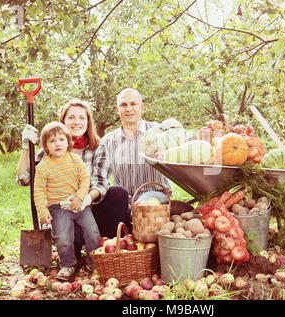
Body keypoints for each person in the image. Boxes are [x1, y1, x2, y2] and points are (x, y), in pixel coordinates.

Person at [17, 98, 130, 267]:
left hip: (91, 210)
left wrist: (85, 200)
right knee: (70, 236)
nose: (77, 122)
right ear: (63, 122)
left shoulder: (98, 147)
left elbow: (101, 183)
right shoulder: (51, 151)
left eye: (82, 118)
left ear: (88, 122)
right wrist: (26, 147)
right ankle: (73, 256)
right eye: (71, 117)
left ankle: (113, 248)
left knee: (118, 193)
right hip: (65, 212)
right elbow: (23, 179)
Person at [34, 121, 100, 280]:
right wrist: (43, 212)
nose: (57, 144)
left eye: (61, 140)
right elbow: (38, 191)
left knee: (92, 232)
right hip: (58, 208)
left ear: (68, 142)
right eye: (52, 141)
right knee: (63, 237)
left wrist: (80, 197)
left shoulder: (75, 159)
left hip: (79, 204)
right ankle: (68, 264)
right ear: (46, 146)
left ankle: (94, 263)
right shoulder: (43, 167)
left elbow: (85, 179)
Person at [94, 88, 172, 205]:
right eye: (123, 105)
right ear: (117, 109)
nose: (128, 109)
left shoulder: (159, 132)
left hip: (156, 193)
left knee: (141, 206)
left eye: (133, 104)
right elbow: (101, 177)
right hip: (124, 198)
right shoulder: (107, 141)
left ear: (142, 107)